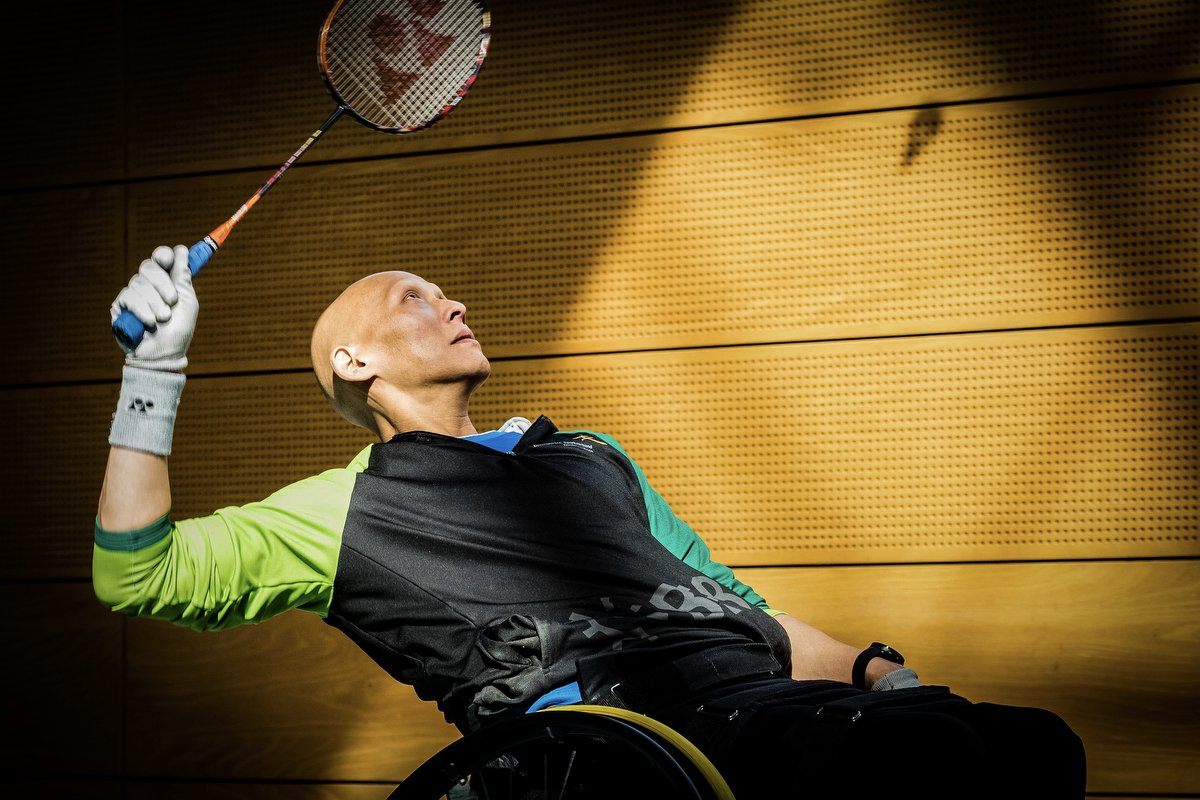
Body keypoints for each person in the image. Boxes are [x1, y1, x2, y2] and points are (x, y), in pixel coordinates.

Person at [96, 245, 1087, 798]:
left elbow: (734, 607)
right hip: (618, 746)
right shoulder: (342, 509)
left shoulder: (593, 453)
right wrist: (155, 371)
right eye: (414, 296)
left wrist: (872, 663)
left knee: (1032, 743)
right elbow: (139, 570)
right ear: (358, 366)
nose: (452, 300)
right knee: (931, 766)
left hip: (760, 699)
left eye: (446, 288)